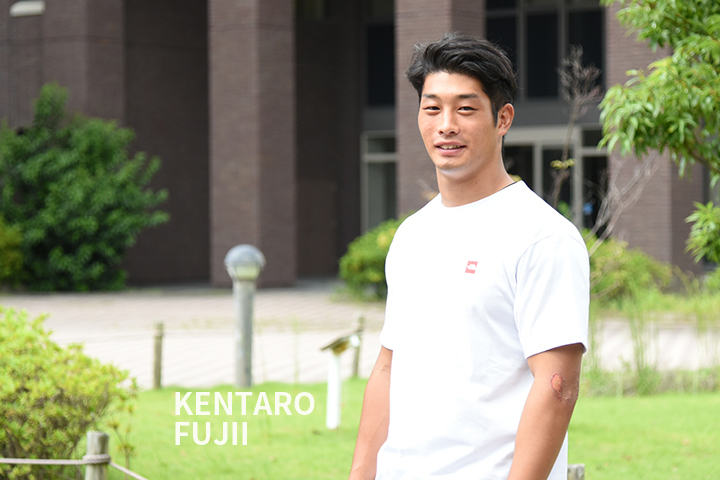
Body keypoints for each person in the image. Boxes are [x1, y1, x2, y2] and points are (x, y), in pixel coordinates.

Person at [348, 32, 589, 480]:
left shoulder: (542, 237)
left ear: (503, 119)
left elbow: (557, 386)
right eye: (432, 108)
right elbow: (388, 368)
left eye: (465, 109)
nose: (446, 125)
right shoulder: (412, 235)